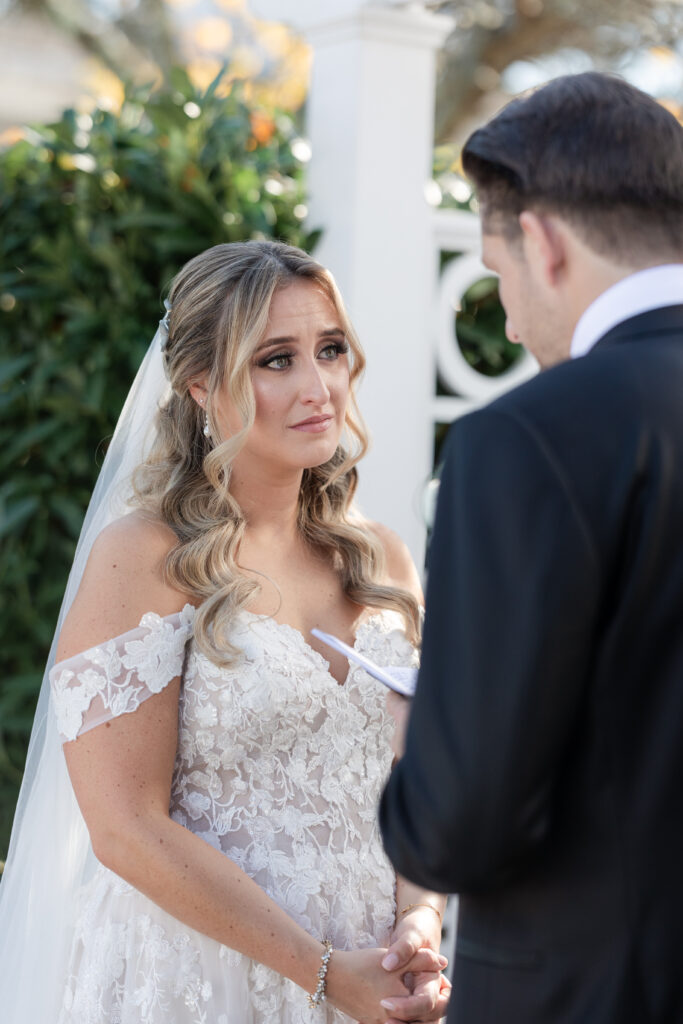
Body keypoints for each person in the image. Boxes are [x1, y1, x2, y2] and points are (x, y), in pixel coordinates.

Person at [0, 240, 452, 1023]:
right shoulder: (146, 558)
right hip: (196, 978)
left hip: (372, 974)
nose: (320, 388)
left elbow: (423, 784)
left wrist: (418, 921)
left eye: (331, 350)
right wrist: (319, 972)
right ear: (200, 384)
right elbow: (124, 828)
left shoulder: (381, 559)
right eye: (276, 360)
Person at [379, 71, 683, 1024]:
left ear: (542, 244)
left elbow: (456, 830)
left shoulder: (528, 438)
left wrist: (415, 750)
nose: (508, 321)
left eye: (497, 273)